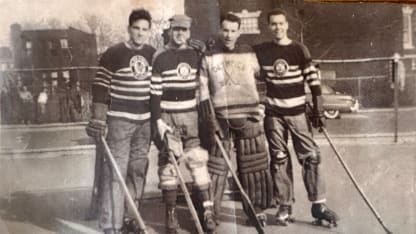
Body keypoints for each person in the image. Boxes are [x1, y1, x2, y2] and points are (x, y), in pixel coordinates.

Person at [254, 8, 339, 226]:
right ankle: (284, 205)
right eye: (273, 24)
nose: (277, 28)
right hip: (274, 114)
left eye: (281, 23)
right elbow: (238, 53)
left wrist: (318, 107)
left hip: (298, 113)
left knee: (311, 157)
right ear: (268, 26)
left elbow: (313, 80)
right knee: (279, 159)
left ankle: (318, 205)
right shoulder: (261, 50)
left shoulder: (299, 49)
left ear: (287, 25)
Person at [198, 13, 273, 226]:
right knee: (216, 167)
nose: (229, 34)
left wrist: (261, 105)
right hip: (220, 118)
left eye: (233, 30)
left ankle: (256, 210)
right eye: (225, 30)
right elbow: (202, 90)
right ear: (220, 30)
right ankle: (211, 213)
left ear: (239, 31)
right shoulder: (209, 55)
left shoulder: (249, 52)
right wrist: (208, 119)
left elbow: (264, 77)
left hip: (248, 116)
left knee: (253, 164)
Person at [86, 9, 155, 234]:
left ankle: (130, 217)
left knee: (137, 171)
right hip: (119, 122)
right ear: (129, 29)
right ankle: (111, 224)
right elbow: (100, 86)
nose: (140, 33)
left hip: (145, 123)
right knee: (115, 173)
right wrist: (98, 117)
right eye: (136, 28)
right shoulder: (113, 54)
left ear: (149, 31)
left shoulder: (153, 54)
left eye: (145, 29)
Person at [150, 14, 216, 234]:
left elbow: (205, 85)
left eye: (184, 30)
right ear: (170, 30)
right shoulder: (160, 57)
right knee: (169, 166)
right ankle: (170, 216)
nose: (179, 34)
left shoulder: (195, 55)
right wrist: (158, 120)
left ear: (189, 32)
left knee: (198, 161)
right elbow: (155, 94)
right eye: (176, 29)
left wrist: (206, 53)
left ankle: (207, 212)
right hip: (168, 117)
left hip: (191, 115)